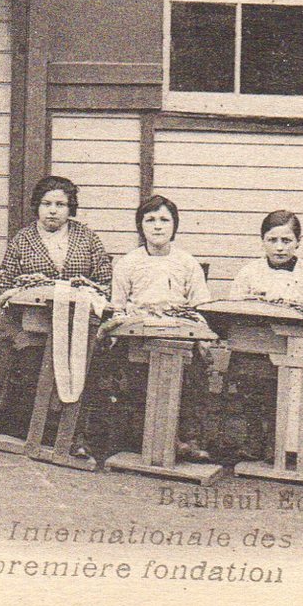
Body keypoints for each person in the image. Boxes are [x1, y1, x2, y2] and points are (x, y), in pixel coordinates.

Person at [84, 194, 213, 462]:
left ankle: (185, 440)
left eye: (164, 220)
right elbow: (117, 307)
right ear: (141, 226)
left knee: (193, 371)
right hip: (138, 333)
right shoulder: (128, 263)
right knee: (131, 373)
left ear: (174, 226)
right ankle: (137, 438)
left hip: (178, 331)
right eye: (150, 220)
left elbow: (201, 306)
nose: (157, 226)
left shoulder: (187, 263)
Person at [0, 175, 113, 441]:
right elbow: (2, 287)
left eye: (61, 204)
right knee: (32, 361)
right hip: (32, 326)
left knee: (86, 363)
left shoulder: (88, 238)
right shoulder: (22, 240)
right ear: (37, 206)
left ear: (71, 208)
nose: (53, 210)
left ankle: (72, 434)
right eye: (47, 203)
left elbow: (105, 282)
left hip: (77, 327)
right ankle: (31, 430)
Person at [215, 210, 303, 461]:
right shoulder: (249, 273)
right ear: (262, 241)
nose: (279, 247)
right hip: (256, 348)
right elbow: (234, 311)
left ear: (298, 242)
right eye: (272, 240)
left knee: (291, 374)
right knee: (251, 371)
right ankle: (254, 436)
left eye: (286, 241)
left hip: (298, 348)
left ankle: (281, 442)